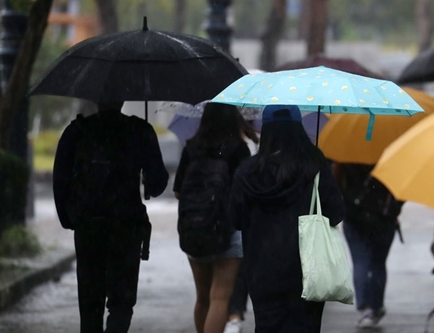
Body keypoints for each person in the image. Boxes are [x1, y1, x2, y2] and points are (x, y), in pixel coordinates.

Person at [226, 104, 345, 333]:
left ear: (266, 130)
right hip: (307, 270)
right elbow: (336, 213)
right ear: (298, 128)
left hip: (262, 272)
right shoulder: (314, 165)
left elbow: (235, 219)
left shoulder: (247, 171)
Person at [53, 101, 169, 333]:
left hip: (88, 229)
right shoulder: (140, 131)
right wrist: (147, 178)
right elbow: (158, 184)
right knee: (121, 304)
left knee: (89, 304)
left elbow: (60, 181)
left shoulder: (76, 132)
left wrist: (70, 220)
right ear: (122, 99)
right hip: (126, 229)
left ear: (97, 98)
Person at [173, 103, 258, 333]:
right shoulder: (238, 149)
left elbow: (178, 191)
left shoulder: (191, 147)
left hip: (194, 227)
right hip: (228, 228)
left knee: (202, 298)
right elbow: (245, 192)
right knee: (220, 297)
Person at [332, 163, 404, 328]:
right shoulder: (391, 154)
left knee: (360, 262)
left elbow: (336, 180)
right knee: (378, 263)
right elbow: (402, 189)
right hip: (384, 219)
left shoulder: (347, 153)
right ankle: (376, 306)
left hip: (354, 215)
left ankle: (365, 308)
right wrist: (394, 208)